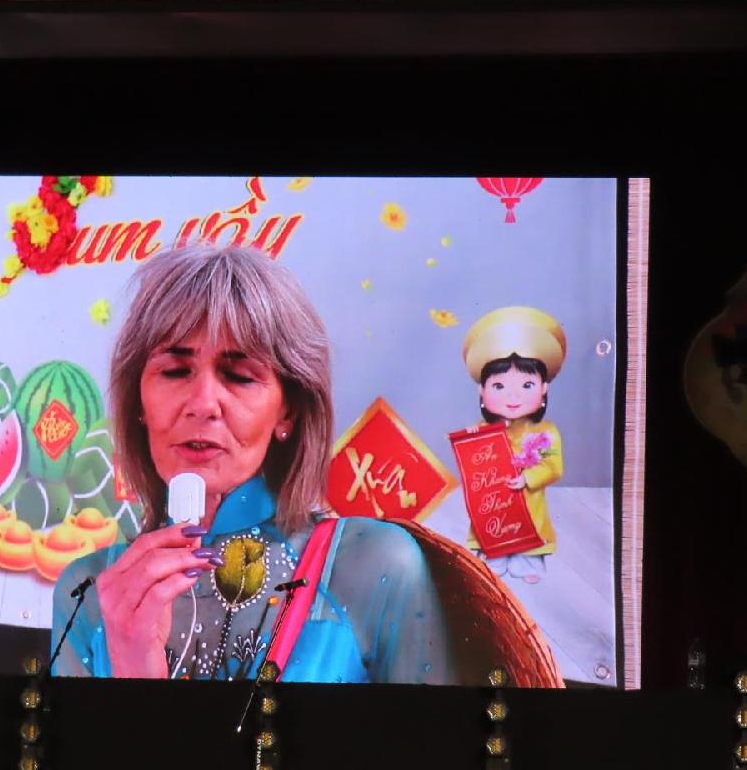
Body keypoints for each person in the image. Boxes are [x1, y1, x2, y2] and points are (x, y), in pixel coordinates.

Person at [51, 245, 456, 684]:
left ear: (288, 411)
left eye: (240, 377)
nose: (204, 404)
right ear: (138, 404)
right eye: (175, 372)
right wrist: (132, 662)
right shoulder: (87, 589)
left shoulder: (375, 564)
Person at [462, 307, 567, 584]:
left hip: (529, 505)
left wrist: (529, 477)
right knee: (491, 534)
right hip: (494, 508)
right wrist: (471, 442)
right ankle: (494, 555)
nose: (513, 396)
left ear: (543, 389)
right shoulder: (483, 430)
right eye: (499, 387)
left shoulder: (545, 432)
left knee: (529, 542)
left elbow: (554, 466)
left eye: (526, 385)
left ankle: (527, 558)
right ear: (482, 391)